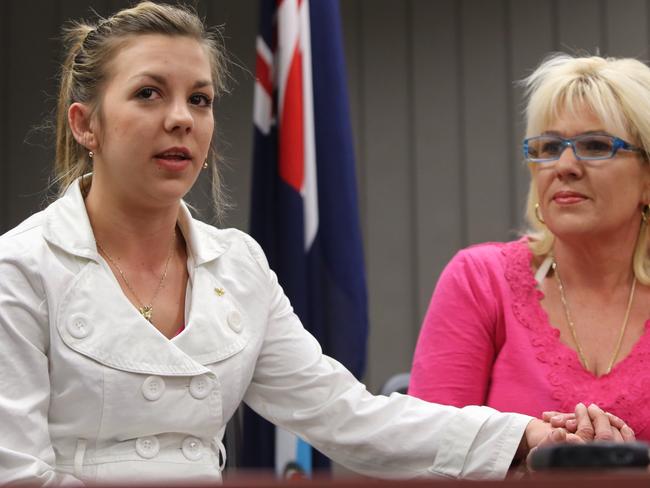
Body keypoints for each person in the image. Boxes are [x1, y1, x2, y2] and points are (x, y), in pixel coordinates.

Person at [0, 6, 622, 484]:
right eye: (148, 93)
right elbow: (15, 472)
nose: (181, 119)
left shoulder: (236, 264)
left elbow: (346, 415)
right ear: (86, 123)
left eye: (201, 99)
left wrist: (524, 438)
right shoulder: (21, 269)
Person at [409, 53, 650, 441]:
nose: (565, 165)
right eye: (549, 148)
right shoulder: (481, 280)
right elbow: (426, 453)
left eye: (594, 145)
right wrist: (525, 464)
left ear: (647, 180)